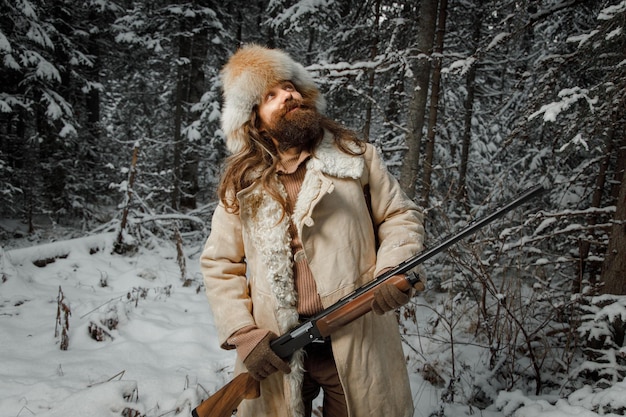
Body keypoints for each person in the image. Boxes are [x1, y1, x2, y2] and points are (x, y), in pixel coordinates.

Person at [200, 44, 425, 417]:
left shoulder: (356, 156)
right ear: (254, 119)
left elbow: (399, 216)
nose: (287, 96)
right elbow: (220, 264)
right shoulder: (241, 184)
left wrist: (392, 271)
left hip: (357, 332)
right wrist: (244, 334)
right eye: (270, 95)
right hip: (278, 347)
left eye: (289, 87)